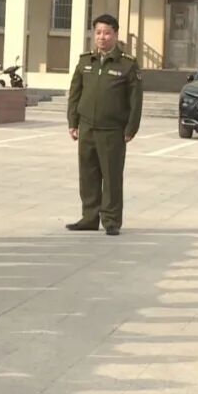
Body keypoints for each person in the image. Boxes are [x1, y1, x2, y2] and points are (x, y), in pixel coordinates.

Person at [65, 14, 143, 236]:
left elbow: (135, 100)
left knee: (111, 176)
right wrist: (73, 122)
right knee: (88, 175)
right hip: (87, 127)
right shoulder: (85, 61)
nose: (102, 37)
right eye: (98, 32)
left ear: (115, 35)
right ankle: (89, 218)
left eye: (107, 33)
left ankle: (111, 220)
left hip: (112, 130)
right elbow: (75, 93)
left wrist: (131, 128)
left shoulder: (127, 65)